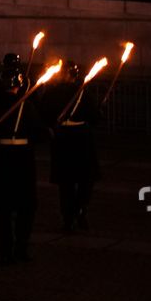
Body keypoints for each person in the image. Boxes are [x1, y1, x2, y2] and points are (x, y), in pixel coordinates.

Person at [0, 62, 42, 263]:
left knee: (3, 207)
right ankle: (20, 247)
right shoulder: (27, 105)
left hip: (2, 156)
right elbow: (36, 132)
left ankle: (5, 248)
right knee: (24, 207)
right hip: (22, 157)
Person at [50, 62, 102, 232]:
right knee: (72, 182)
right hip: (78, 138)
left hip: (71, 139)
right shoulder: (78, 92)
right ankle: (74, 213)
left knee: (79, 181)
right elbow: (95, 118)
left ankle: (75, 212)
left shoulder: (75, 92)